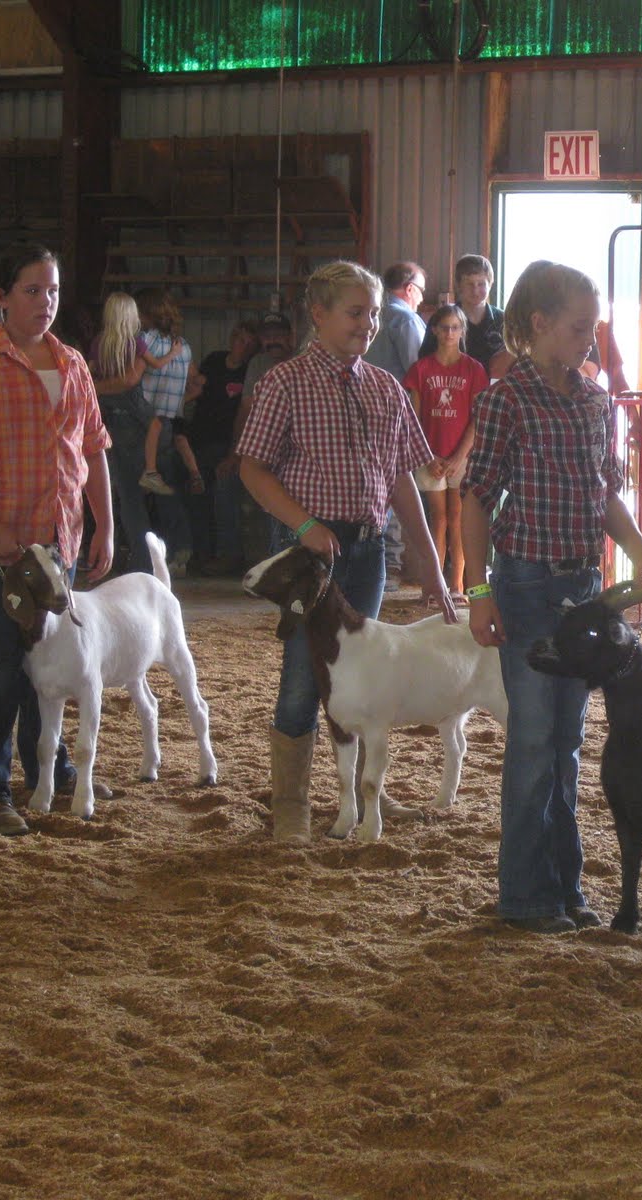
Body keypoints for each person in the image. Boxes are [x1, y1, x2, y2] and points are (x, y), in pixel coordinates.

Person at [461, 260, 642, 934]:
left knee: (567, 741)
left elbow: (605, 495)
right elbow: (476, 497)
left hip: (582, 587)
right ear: (539, 323)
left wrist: (640, 551)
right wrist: (479, 590)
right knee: (533, 740)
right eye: (579, 328)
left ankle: (563, 885)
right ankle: (526, 895)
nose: (589, 340)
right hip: (525, 583)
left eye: (593, 328)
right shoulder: (505, 400)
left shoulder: (595, 401)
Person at [237, 261, 453, 843]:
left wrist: (431, 564)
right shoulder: (285, 382)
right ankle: (291, 802)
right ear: (319, 314)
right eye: (355, 313)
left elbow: (403, 479)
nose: (368, 324)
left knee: (365, 672)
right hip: (307, 553)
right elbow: (252, 469)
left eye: (374, 313)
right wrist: (304, 524)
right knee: (303, 676)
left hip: (366, 548)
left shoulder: (385, 387)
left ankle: (360, 796)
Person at [0, 243, 115, 837]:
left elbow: (93, 447)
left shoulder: (73, 363)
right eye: (33, 291)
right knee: (4, 659)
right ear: (2, 296)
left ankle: (51, 770)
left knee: (53, 652)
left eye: (53, 291)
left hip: (59, 538)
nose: (46, 302)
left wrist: (104, 522)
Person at [401, 304, 489, 601]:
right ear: (435, 330)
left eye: (455, 327)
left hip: (462, 455)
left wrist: (459, 456)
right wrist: (427, 456)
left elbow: (477, 418)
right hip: (430, 454)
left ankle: (457, 586)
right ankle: (435, 585)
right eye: (444, 327)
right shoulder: (421, 369)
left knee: (458, 517)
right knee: (437, 519)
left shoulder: (474, 369)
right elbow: (413, 418)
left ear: (462, 331)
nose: (450, 333)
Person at [365, 262, 428, 594]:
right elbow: (419, 372)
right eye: (421, 292)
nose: (421, 299)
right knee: (392, 484)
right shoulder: (404, 320)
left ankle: (375, 561)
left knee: (372, 484)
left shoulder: (373, 314)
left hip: (360, 412)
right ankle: (389, 564)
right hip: (391, 414)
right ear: (410, 288)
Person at [88, 292, 159, 575]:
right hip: (134, 422)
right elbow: (132, 380)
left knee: (118, 494)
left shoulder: (98, 344)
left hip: (109, 420)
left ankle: (117, 556)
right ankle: (146, 560)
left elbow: (89, 378)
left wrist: (98, 388)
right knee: (138, 494)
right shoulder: (136, 343)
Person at [186, 320, 259, 576]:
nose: (243, 347)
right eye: (240, 340)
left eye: (249, 344)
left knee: (222, 490)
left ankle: (227, 554)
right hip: (199, 438)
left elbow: (245, 413)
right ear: (232, 338)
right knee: (195, 493)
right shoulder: (215, 361)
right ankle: (199, 552)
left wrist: (234, 453)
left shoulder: (249, 372)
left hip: (227, 443)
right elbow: (197, 388)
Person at [131, 288, 189, 498]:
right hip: (167, 423)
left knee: (131, 493)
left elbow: (132, 378)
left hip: (141, 422)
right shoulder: (183, 346)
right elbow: (195, 381)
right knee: (166, 498)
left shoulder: (145, 340)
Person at [420, 253, 514, 380]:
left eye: (481, 284)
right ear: (458, 285)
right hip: (452, 387)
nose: (475, 291)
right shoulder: (441, 319)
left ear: (490, 284)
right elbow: (425, 360)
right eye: (469, 284)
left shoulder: (504, 320)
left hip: (493, 388)